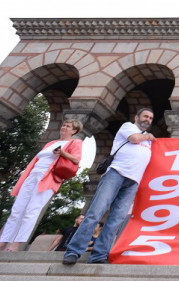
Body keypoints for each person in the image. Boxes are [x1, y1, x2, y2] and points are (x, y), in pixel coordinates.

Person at [62, 108, 156, 265]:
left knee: (116, 219)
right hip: (116, 174)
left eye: (151, 118)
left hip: (133, 182)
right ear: (136, 117)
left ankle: (99, 255)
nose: (148, 120)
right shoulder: (129, 127)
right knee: (95, 212)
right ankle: (73, 251)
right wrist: (148, 136)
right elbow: (134, 138)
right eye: (145, 116)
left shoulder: (148, 140)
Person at [0, 119, 83, 252]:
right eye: (63, 125)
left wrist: (62, 153)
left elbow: (76, 159)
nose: (64, 127)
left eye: (68, 126)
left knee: (31, 211)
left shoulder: (75, 142)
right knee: (16, 210)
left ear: (74, 131)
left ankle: (17, 244)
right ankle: (3, 242)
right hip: (32, 175)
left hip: (47, 178)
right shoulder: (51, 143)